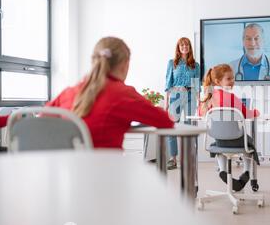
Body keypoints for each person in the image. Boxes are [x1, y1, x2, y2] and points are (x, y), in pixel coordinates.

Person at [46, 36, 174, 148]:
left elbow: (41, 123)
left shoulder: (68, 92)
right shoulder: (123, 94)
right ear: (125, 64)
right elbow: (165, 121)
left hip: (68, 171)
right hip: (106, 172)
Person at [199, 64, 260, 192]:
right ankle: (247, 172)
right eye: (228, 79)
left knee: (219, 145)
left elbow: (200, 113)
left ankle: (222, 170)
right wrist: (256, 112)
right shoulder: (232, 98)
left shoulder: (208, 98)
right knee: (249, 144)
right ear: (217, 81)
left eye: (233, 78)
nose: (232, 81)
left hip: (219, 141)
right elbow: (247, 114)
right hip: (236, 139)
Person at [165, 37, 200, 170]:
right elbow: (168, 83)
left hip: (191, 95)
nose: (184, 47)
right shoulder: (172, 63)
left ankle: (189, 157)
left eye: (186, 45)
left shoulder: (195, 65)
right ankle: (172, 158)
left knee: (189, 127)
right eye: (182, 45)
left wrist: (200, 101)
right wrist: (166, 103)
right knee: (171, 126)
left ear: (190, 47)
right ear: (178, 48)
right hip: (175, 94)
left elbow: (197, 85)